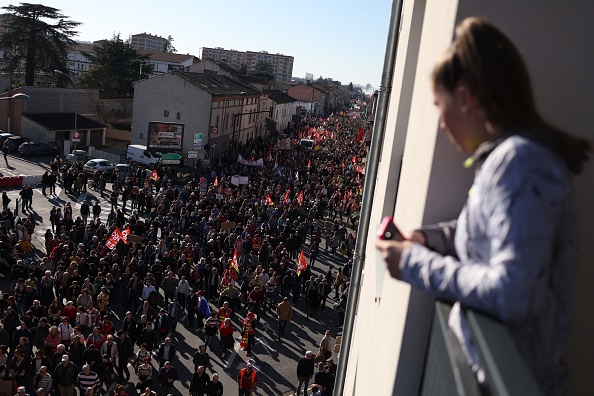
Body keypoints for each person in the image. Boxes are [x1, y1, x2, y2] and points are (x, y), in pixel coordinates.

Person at [375, 17, 591, 396]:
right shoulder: (508, 160)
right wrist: (425, 239)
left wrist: (413, 263)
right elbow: (477, 230)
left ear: (465, 98)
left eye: (439, 105)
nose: (441, 124)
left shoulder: (522, 164)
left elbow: (512, 294)